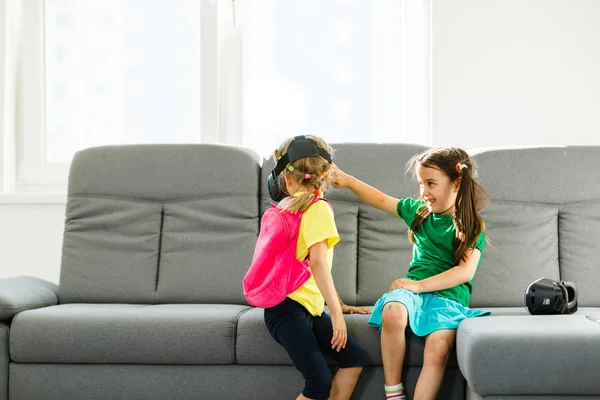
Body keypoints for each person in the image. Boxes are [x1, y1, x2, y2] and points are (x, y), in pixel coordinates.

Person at [333, 146, 490, 400]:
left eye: (431, 183)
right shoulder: (418, 212)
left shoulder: (471, 225)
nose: (424, 192)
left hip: (448, 299)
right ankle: (394, 392)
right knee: (392, 311)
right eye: (420, 184)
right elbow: (382, 199)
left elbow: (464, 272)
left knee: (437, 350)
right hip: (412, 293)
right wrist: (349, 181)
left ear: (456, 182)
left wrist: (420, 286)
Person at [262, 135, 368, 400]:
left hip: (301, 307)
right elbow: (319, 264)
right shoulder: (317, 208)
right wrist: (336, 313)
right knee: (318, 383)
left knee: (354, 359)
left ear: (286, 179)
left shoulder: (289, 207)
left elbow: (309, 268)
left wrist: (337, 304)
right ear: (325, 175)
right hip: (288, 311)